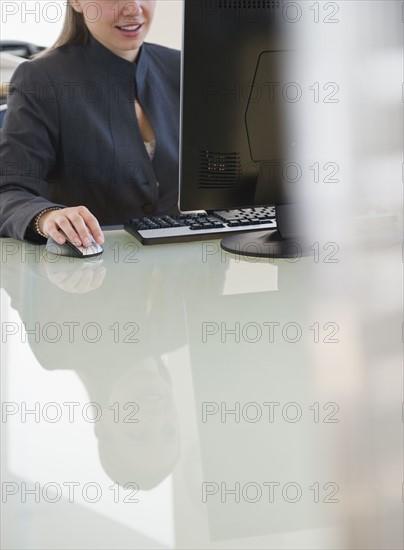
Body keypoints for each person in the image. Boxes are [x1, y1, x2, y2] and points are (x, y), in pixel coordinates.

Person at [0, 0, 180, 247]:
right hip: (88, 274)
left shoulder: (181, 68)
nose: (133, 9)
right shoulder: (41, 79)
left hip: (180, 272)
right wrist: (48, 216)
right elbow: (8, 192)